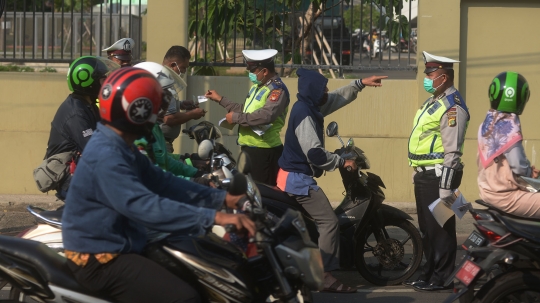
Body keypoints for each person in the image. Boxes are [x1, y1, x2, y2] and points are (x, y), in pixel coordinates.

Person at [61, 67, 255, 303]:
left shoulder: (121, 145)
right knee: (185, 298)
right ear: (137, 112)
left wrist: (222, 199)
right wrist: (216, 217)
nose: (160, 114)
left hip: (125, 240)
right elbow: (145, 206)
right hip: (100, 256)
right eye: (155, 107)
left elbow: (163, 182)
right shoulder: (107, 155)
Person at [276, 68, 387, 293]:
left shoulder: (309, 106)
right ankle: (325, 276)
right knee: (329, 222)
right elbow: (315, 154)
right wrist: (341, 162)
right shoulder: (305, 114)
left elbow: (336, 98)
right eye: (322, 88)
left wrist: (360, 83)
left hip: (291, 176)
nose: (326, 91)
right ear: (313, 91)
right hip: (297, 180)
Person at [404, 51, 470, 292]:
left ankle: (442, 278)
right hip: (424, 175)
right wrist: (416, 169)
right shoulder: (433, 102)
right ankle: (429, 272)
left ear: (444, 77)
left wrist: (446, 186)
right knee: (427, 229)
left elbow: (452, 150)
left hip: (440, 176)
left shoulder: (453, 108)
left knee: (440, 230)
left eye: (431, 74)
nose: (427, 78)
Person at [205, 49, 290, 186]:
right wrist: (220, 99)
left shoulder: (277, 90)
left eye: (253, 70)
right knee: (250, 190)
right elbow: (244, 110)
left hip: (265, 151)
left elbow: (266, 116)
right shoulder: (257, 87)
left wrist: (236, 118)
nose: (250, 73)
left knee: (263, 193)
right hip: (250, 148)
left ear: (265, 71)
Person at [43, 56, 119, 199]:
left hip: (82, 171)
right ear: (88, 82)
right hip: (69, 179)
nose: (105, 85)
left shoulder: (87, 104)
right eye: (102, 80)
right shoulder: (76, 113)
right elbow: (93, 149)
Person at [477, 71, 540, 218]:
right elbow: (519, 165)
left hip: (487, 190)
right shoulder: (509, 126)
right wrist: (531, 173)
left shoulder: (487, 123)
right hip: (504, 194)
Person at [160, 45, 206, 153]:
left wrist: (181, 104)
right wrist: (193, 114)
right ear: (172, 65)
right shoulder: (164, 83)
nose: (184, 71)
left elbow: (162, 106)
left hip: (163, 142)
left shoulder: (163, 79)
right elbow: (169, 119)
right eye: (183, 67)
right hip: (161, 144)